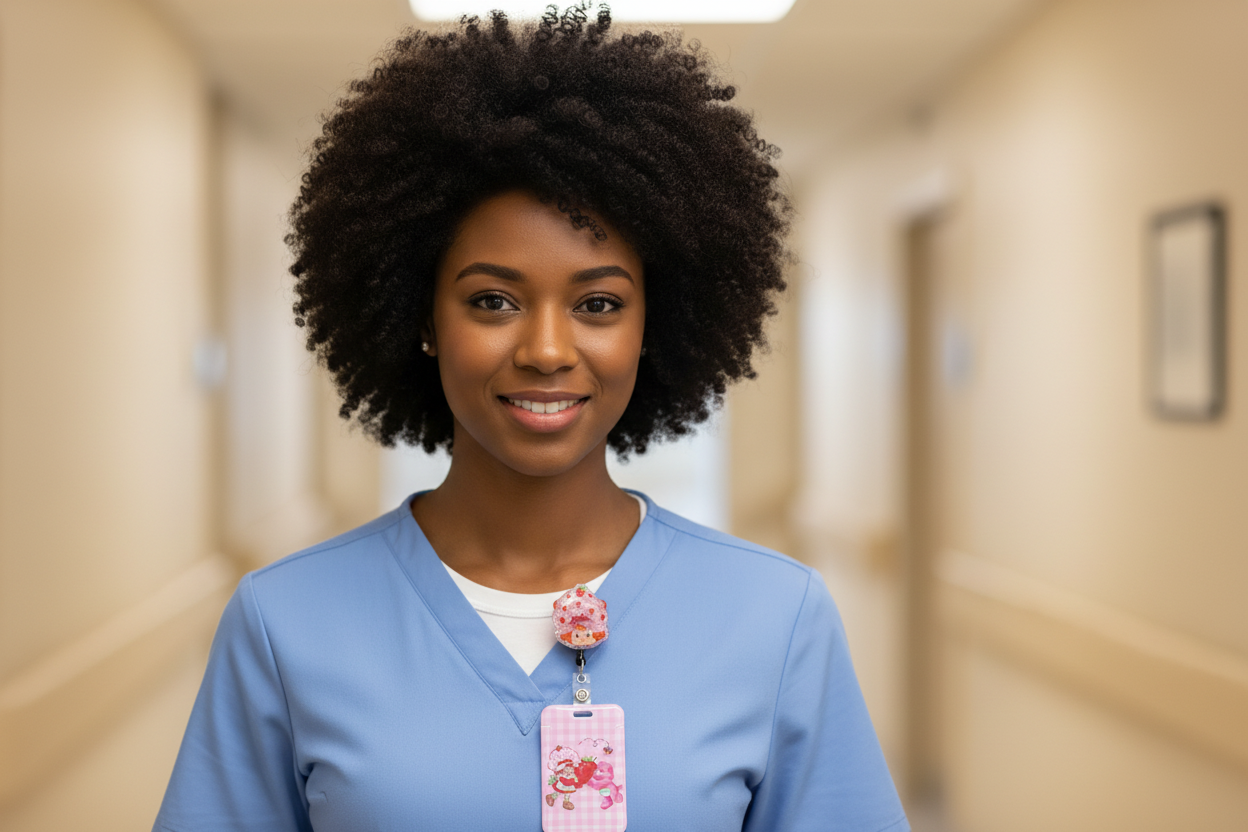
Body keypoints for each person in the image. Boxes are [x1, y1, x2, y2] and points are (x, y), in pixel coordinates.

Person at [154, 5, 907, 831]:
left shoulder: (776, 617)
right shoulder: (284, 624)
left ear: (653, 324)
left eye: (598, 303)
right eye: (493, 300)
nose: (547, 350)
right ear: (422, 318)